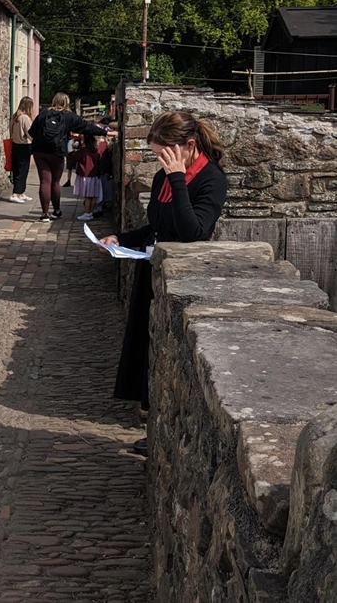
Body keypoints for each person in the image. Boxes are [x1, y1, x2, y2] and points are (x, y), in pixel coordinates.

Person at [99, 110, 228, 456]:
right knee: (147, 353)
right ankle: (153, 428)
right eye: (157, 155)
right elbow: (154, 227)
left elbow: (193, 232)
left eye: (164, 154)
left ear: (189, 145)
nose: (160, 161)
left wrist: (178, 179)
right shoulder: (162, 178)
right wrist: (119, 238)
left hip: (184, 281)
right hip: (151, 273)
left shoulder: (211, 180)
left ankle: (158, 436)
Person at [29, 93, 115, 222]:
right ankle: (57, 210)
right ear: (67, 102)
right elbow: (87, 127)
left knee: (44, 181)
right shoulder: (69, 116)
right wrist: (107, 132)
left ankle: (45, 214)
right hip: (57, 151)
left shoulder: (43, 114)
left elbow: (31, 132)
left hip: (39, 151)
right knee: (55, 182)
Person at [8, 96, 35, 202]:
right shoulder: (25, 118)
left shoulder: (15, 117)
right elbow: (29, 133)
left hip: (15, 144)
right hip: (24, 145)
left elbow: (10, 130)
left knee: (17, 169)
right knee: (23, 170)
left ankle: (21, 192)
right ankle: (15, 194)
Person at [72, 133, 102, 221]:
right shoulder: (96, 150)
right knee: (93, 195)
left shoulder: (84, 150)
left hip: (86, 175)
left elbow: (74, 157)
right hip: (95, 175)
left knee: (87, 196)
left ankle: (87, 213)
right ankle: (91, 212)